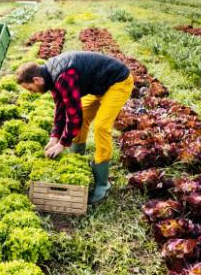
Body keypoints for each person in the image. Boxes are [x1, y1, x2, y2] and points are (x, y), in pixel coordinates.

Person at [15, 52, 134, 204]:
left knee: (100, 127)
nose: (32, 92)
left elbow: (73, 114)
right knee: (83, 116)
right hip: (99, 86)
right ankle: (77, 158)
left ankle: (103, 183)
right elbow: (60, 108)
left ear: (36, 79)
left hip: (117, 83)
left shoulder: (63, 76)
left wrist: (62, 144)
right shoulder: (50, 76)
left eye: (30, 88)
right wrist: (54, 138)